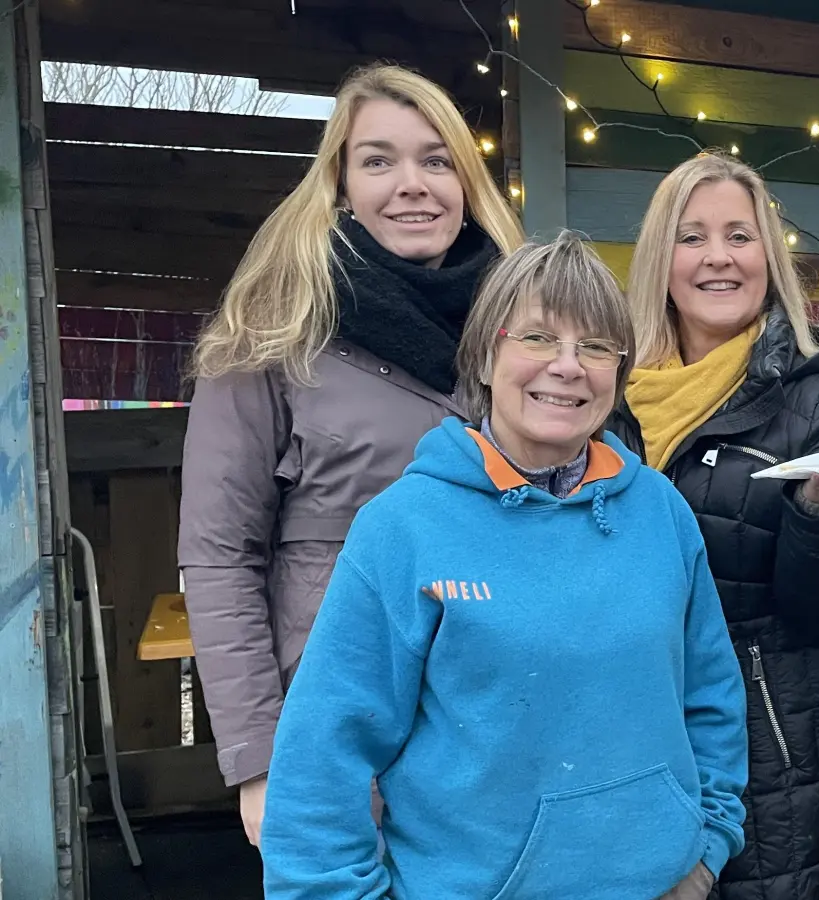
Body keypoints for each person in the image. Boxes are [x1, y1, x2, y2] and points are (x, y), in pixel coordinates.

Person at [258, 233, 749, 900]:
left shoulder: (659, 511)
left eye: (596, 346)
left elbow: (712, 697)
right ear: (486, 355)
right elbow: (322, 758)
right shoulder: (403, 529)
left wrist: (707, 847)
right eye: (538, 338)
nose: (568, 366)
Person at [177, 63, 523, 847]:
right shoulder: (271, 333)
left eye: (437, 160)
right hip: (342, 722)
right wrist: (261, 762)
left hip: (496, 718)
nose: (413, 184)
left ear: (467, 182)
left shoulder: (516, 327)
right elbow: (218, 551)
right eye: (378, 160)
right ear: (337, 184)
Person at [609, 151, 819, 900]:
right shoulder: (606, 396)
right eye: (692, 237)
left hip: (770, 746)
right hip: (620, 731)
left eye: (739, 235)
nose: (718, 257)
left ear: (769, 256)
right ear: (662, 258)